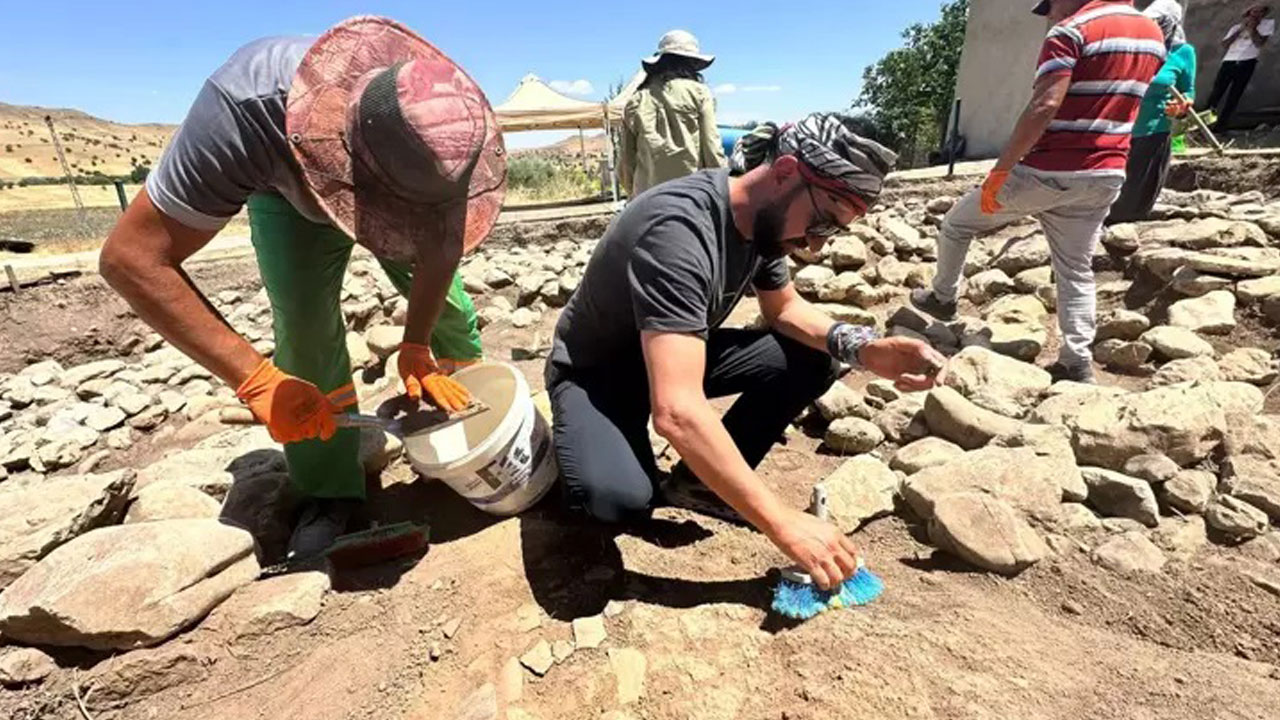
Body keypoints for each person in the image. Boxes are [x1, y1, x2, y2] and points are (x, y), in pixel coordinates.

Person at [99, 16, 507, 559]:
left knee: (449, 313)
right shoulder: (246, 106)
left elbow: (441, 247)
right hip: (285, 199)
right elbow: (130, 259)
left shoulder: (443, 125)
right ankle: (330, 491)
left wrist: (414, 346)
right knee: (307, 334)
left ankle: (472, 438)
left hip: (414, 193)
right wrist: (259, 382)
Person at [547, 112, 947, 591]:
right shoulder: (679, 232)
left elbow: (784, 310)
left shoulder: (764, 221)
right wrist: (782, 523)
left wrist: (866, 349)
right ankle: (572, 448)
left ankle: (698, 485)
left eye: (833, 232)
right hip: (598, 376)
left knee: (812, 357)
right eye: (822, 221)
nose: (816, 247)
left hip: (669, 357)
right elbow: (675, 411)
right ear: (783, 173)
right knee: (618, 501)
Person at [911, 0, 1165, 384]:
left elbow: (1045, 104)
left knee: (957, 224)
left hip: (1049, 170)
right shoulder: (1153, 35)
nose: (1049, 14)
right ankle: (1076, 361)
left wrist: (1000, 171)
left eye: (1050, 5)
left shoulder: (1071, 31)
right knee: (1076, 268)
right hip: (1107, 173)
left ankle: (943, 298)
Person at [1107, 0, 1197, 223]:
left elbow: (1188, 90)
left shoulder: (1182, 53)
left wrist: (1182, 106)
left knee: (1133, 196)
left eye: (1160, 22)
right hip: (1116, 129)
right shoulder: (1132, 46)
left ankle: (1121, 240)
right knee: (1104, 189)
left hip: (1152, 131)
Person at [618, 30, 727, 197]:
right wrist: (723, 190)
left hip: (646, 202)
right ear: (691, 63)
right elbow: (712, 150)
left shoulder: (636, 100)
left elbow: (626, 164)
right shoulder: (700, 93)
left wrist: (635, 197)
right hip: (690, 199)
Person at [1202, 4, 1274, 132]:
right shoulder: (1237, 27)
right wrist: (1240, 30)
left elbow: (1259, 43)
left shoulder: (1266, 24)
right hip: (1229, 61)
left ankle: (1221, 127)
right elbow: (1224, 44)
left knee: (1234, 95)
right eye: (1253, 12)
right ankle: (1204, 125)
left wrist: (1253, 29)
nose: (1256, 15)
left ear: (1263, 14)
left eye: (1259, 12)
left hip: (1247, 62)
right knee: (1216, 94)